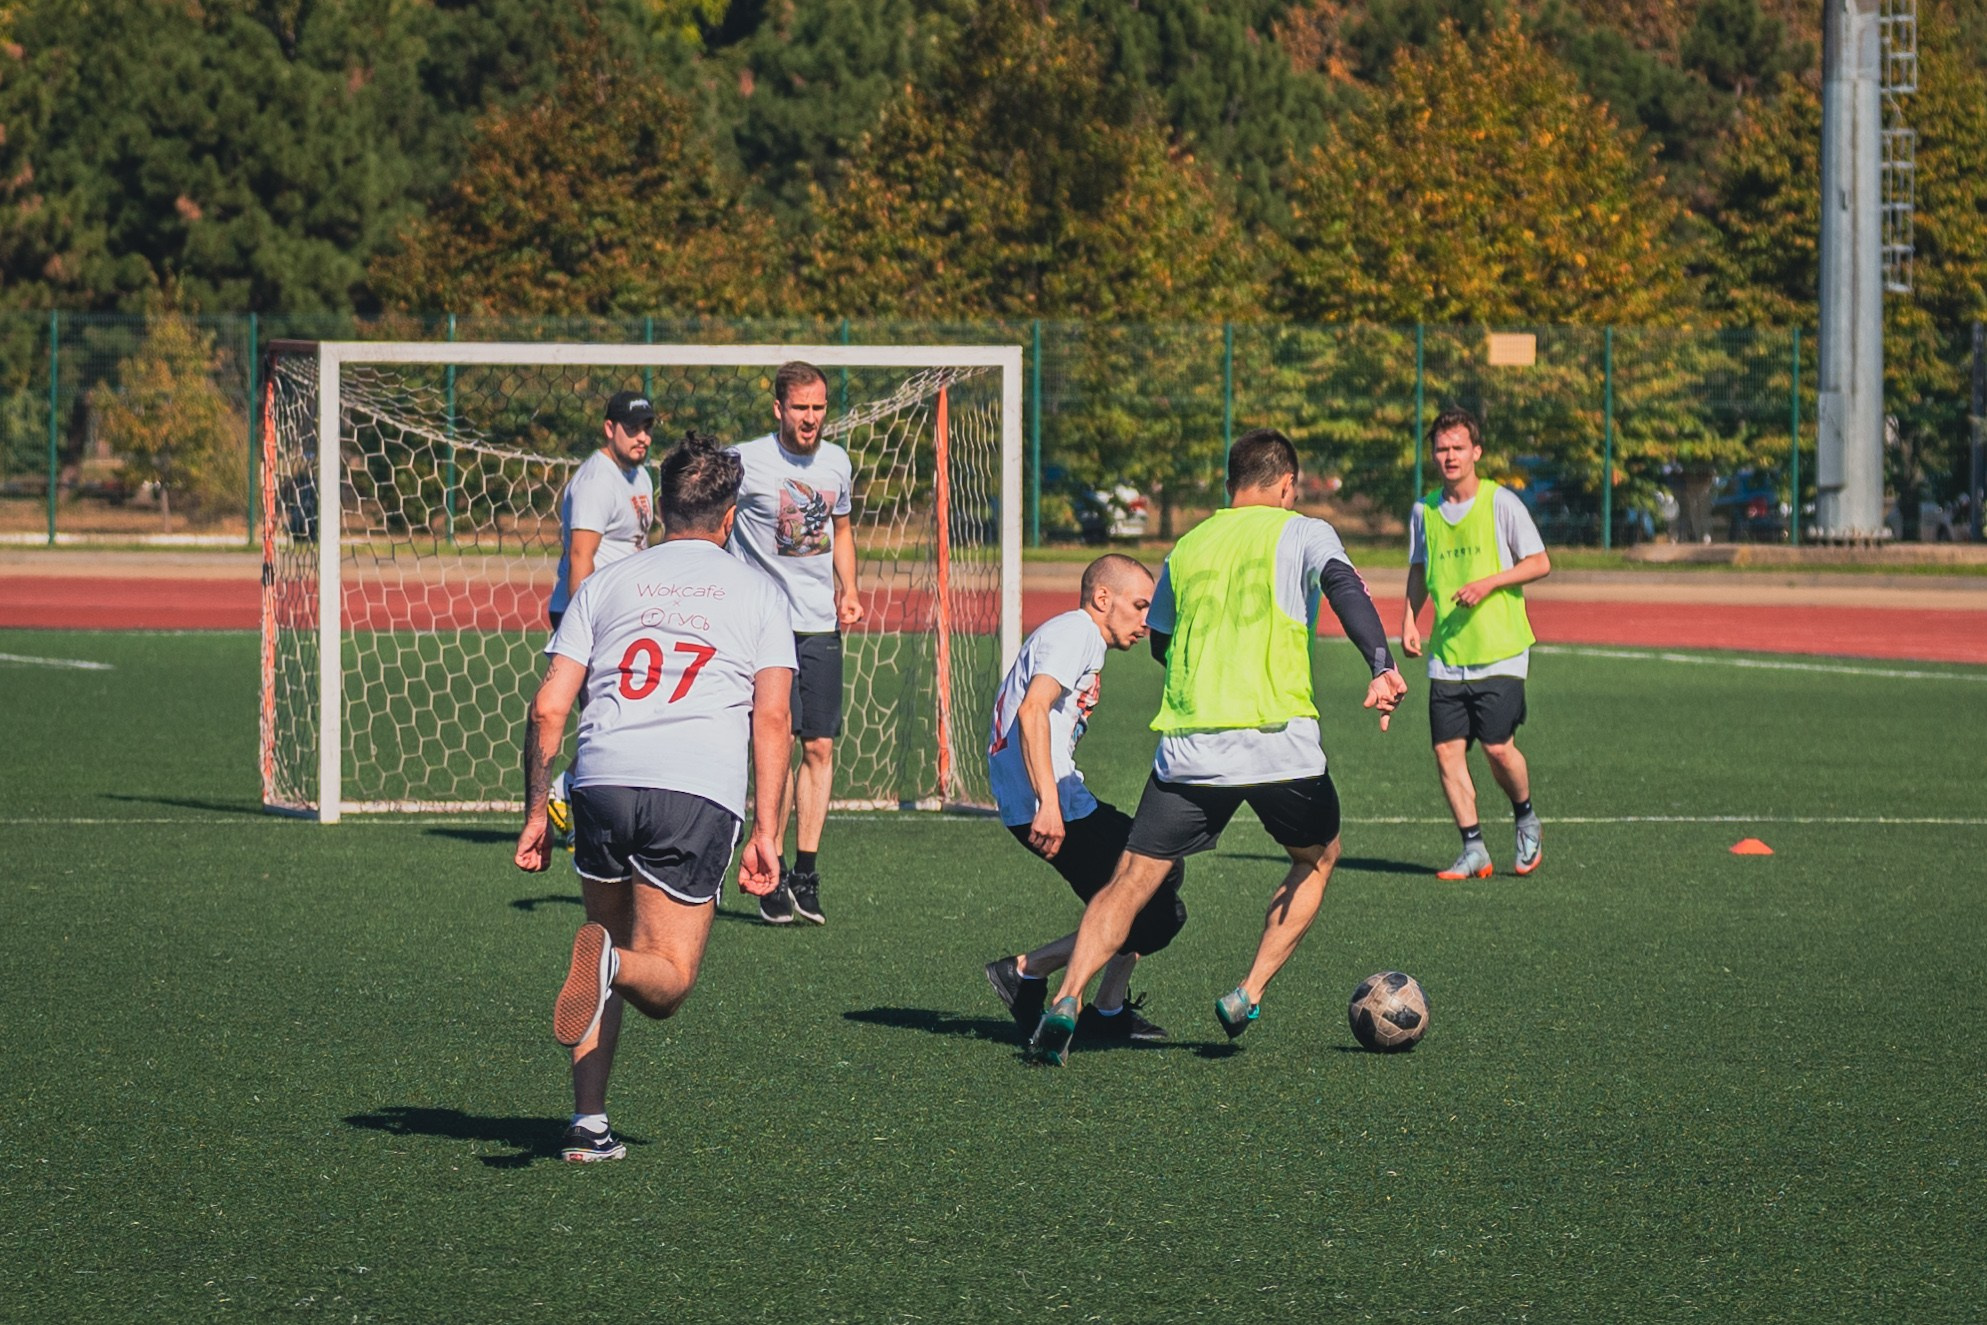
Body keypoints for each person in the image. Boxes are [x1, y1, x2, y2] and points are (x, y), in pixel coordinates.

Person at [1025, 429, 1408, 1067]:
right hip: (1279, 743)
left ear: (1230, 485)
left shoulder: (1187, 547)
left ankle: (1066, 999)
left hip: (1191, 747)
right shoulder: (1305, 530)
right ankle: (1246, 993)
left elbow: (1160, 642)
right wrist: (1380, 663)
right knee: (1317, 859)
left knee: (1128, 882)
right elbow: (1346, 587)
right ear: (1288, 484)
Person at [514, 434, 796, 1163]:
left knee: (604, 936)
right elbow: (772, 719)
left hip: (601, 780)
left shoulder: (607, 583)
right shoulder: (761, 593)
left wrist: (535, 811)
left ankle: (588, 1122)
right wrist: (769, 831)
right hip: (692, 789)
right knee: (663, 981)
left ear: (661, 508)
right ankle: (609, 968)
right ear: (729, 517)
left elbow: (549, 709)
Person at [982, 554, 1180, 1046]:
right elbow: (1031, 711)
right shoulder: (1076, 633)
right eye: (1139, 606)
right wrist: (1048, 804)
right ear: (1102, 599)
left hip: (1063, 801)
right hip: (1053, 808)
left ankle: (1107, 1009)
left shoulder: (1081, 636)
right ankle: (1027, 970)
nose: (1146, 621)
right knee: (1154, 913)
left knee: (1160, 870)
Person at [725, 361, 864, 925]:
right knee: (775, 746)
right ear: (778, 409)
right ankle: (770, 867)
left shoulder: (837, 463)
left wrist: (848, 589)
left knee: (821, 748)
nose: (810, 419)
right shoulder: (743, 461)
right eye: (800, 408)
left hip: (819, 625)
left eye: (819, 408)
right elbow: (710, 520)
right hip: (762, 629)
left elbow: (843, 529)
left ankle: (806, 872)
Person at [1399, 406, 1551, 880]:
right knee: (1447, 752)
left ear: (1476, 452)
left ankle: (1525, 816)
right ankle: (1473, 849)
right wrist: (1408, 619)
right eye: (1441, 448)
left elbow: (1540, 562)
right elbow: (1420, 569)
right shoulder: (1424, 510)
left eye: (1458, 447)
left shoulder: (1501, 503)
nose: (1449, 456)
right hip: (1448, 655)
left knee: (1497, 748)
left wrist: (1489, 583)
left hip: (1501, 650)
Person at [544, 390, 658, 848]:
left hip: (623, 618)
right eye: (633, 428)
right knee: (605, 719)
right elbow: (580, 559)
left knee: (623, 717)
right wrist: (582, 632)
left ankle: (573, 796)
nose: (642, 437)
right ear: (609, 428)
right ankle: (567, 796)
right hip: (590, 616)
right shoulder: (597, 480)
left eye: (648, 427)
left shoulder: (640, 475)